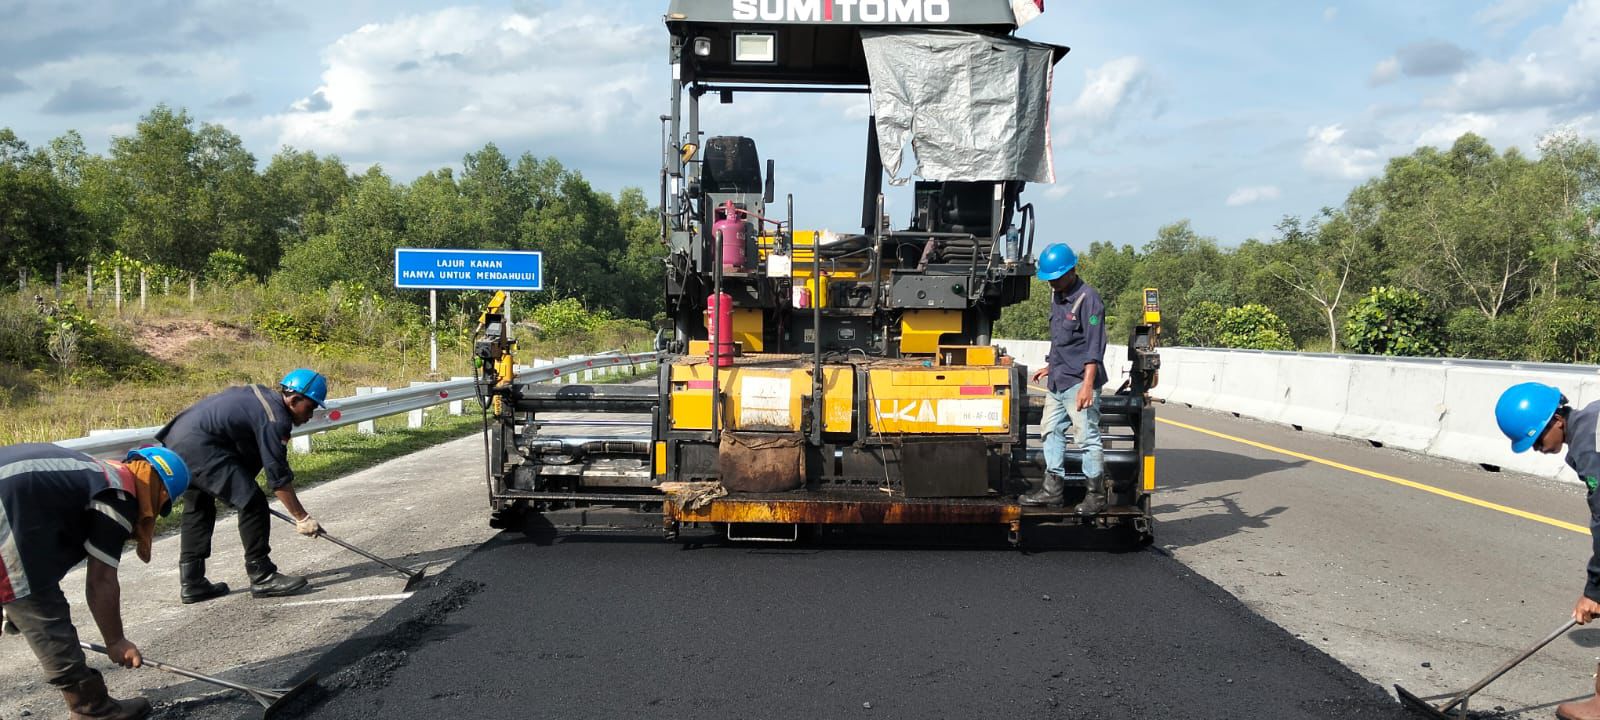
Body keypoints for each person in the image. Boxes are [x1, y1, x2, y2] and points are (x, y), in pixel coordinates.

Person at [0, 442, 190, 720]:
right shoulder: (120, 494)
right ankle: (93, 709)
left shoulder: (95, 473)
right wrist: (116, 641)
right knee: (42, 608)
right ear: (160, 490)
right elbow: (101, 581)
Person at [156, 369, 330, 603]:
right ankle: (262, 575)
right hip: (201, 446)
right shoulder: (275, 418)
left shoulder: (263, 400)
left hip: (180, 442)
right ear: (294, 399)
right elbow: (277, 475)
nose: (311, 414)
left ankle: (193, 582)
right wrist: (302, 517)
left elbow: (248, 456)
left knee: (199, 507)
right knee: (253, 502)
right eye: (310, 407)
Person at [1495, 382, 1600, 720]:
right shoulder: (1593, 419)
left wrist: (1594, 590)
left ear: (1557, 419)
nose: (1537, 449)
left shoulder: (1590, 446)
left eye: (1537, 440)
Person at [1022, 242, 1108, 514]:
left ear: (1071, 271)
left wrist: (1087, 386)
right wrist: (1050, 366)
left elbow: (1094, 347)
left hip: (1078, 382)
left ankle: (1095, 497)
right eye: (1049, 280)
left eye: (1056, 278)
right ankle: (1052, 492)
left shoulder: (1088, 299)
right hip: (1058, 379)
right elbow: (1060, 339)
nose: (1052, 284)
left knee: (1086, 438)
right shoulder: (1057, 296)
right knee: (1050, 430)